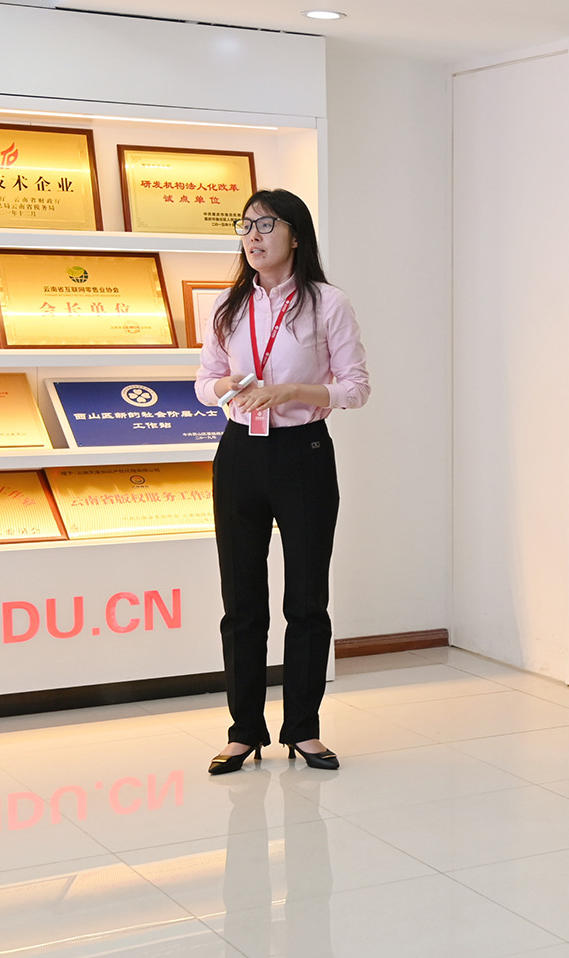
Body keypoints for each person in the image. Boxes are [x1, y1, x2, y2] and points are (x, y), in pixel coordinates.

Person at [195, 188, 370, 775]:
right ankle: (243, 732)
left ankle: (303, 729)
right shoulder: (227, 305)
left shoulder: (327, 303)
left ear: (296, 235)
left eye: (266, 225)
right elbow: (204, 381)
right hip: (239, 454)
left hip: (304, 453)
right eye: (245, 226)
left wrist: (293, 391)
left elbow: (356, 387)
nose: (253, 236)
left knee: (306, 602)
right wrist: (227, 387)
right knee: (241, 604)